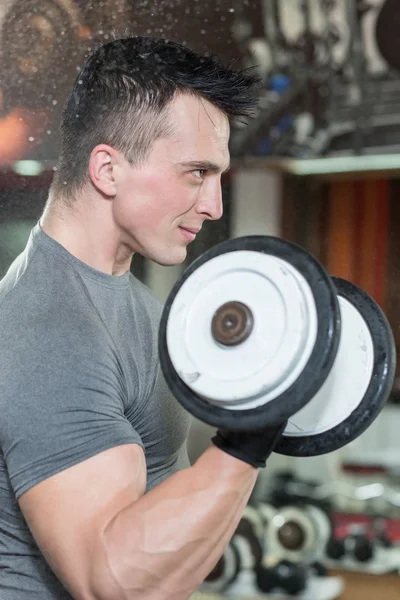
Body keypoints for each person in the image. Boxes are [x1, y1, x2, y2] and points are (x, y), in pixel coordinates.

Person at [0, 36, 285, 600]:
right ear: (108, 169)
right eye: (196, 173)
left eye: (219, 177)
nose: (214, 206)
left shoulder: (138, 308)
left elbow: (168, 536)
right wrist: (249, 440)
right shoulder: (45, 327)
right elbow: (111, 581)